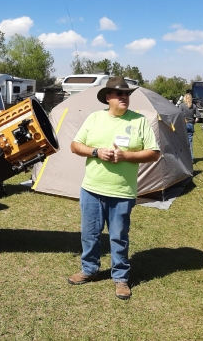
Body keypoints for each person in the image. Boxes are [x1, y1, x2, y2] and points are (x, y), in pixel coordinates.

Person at [68, 76, 160, 300]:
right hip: (91, 188)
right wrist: (96, 152)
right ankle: (89, 270)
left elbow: (154, 152)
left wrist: (125, 155)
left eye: (127, 94)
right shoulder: (94, 118)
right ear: (108, 97)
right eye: (120, 94)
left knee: (118, 236)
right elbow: (74, 145)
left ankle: (120, 278)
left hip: (121, 192)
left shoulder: (139, 121)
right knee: (90, 234)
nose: (125, 97)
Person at [179, 93, 198, 161]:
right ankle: (191, 158)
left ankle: (183, 157)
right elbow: (198, 117)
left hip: (183, 125)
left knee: (182, 141)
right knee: (190, 142)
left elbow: (178, 115)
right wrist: (193, 123)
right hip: (191, 125)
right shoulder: (194, 106)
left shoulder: (182, 106)